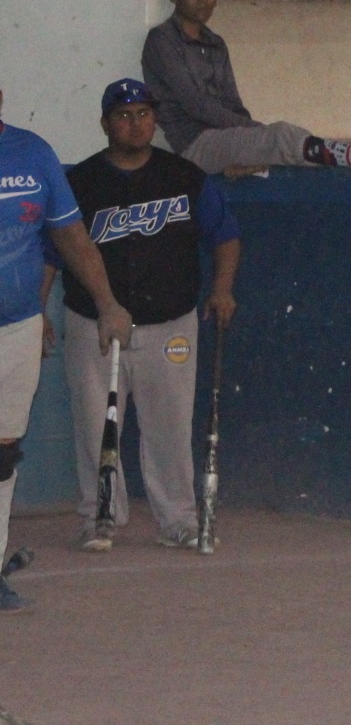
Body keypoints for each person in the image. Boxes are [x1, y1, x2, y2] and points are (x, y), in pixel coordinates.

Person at [43, 79, 239, 551]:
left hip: (170, 322)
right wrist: (37, 311)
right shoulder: (80, 182)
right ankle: (100, 518)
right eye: (125, 115)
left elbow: (225, 235)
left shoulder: (185, 177)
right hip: (92, 323)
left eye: (145, 114)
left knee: (170, 427)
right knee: (94, 426)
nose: (137, 124)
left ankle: (178, 520)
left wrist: (222, 289)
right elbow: (52, 251)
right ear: (106, 122)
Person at [0, 87, 132, 612]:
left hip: (16, 328)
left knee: (4, 452)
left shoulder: (34, 154)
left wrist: (107, 304)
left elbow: (72, 238)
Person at [142, 0, 351, 174]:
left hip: (221, 140)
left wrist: (247, 141)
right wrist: (255, 133)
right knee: (279, 138)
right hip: (190, 144)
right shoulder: (162, 40)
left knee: (281, 149)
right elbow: (195, 104)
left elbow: (233, 103)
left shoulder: (216, 43)